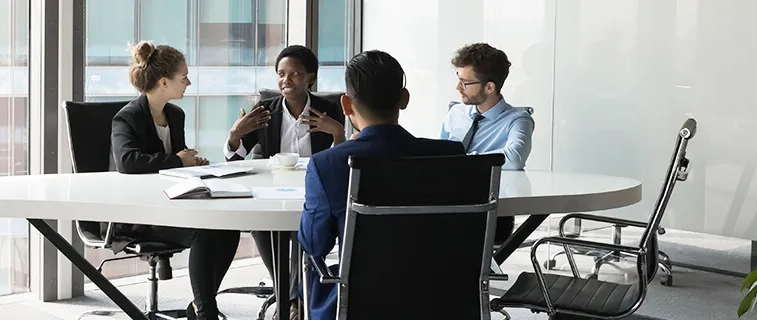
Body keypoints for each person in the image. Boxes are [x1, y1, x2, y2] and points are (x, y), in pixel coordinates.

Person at [298, 50, 466, 320]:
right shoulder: (452, 155)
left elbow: (315, 244)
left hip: (360, 304)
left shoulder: (328, 164)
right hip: (442, 298)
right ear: (404, 99)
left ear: (346, 104)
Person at [108, 41, 239, 320]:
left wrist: (191, 164)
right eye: (184, 77)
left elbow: (174, 165)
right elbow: (128, 162)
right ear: (164, 82)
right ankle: (206, 313)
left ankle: (199, 306)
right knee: (202, 232)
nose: (189, 82)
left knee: (229, 228)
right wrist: (179, 160)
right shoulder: (127, 118)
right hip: (139, 214)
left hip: (172, 206)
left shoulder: (175, 115)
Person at [224, 45, 346, 306]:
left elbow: (338, 163)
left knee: (303, 228)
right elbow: (234, 160)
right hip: (274, 191)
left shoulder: (328, 109)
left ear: (310, 78)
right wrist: (235, 135)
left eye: (295, 74)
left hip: (314, 193)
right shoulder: (266, 110)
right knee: (263, 225)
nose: (286, 80)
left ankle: (289, 298)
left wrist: (337, 133)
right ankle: (289, 297)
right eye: (281, 74)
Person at [439, 43, 534, 244]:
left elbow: (514, 158)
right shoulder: (456, 113)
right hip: (447, 202)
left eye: (465, 83)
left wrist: (463, 161)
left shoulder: (518, 120)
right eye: (459, 80)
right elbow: (439, 156)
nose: (458, 88)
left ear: (489, 87)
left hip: (490, 210)